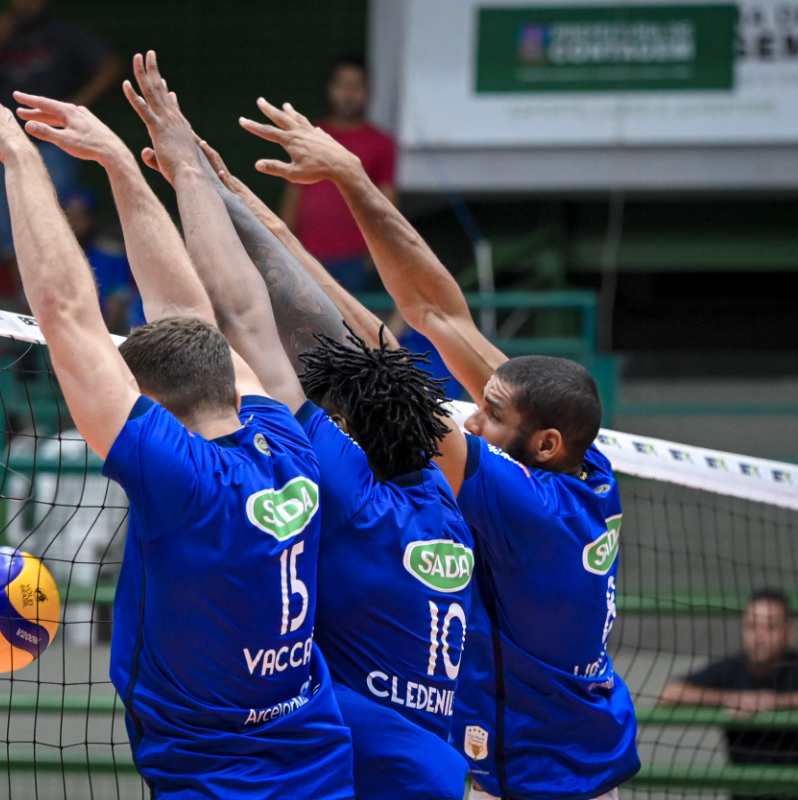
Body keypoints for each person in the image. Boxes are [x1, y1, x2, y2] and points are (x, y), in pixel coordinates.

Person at [0, 64, 354, 799]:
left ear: (153, 407)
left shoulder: (184, 480)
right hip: (319, 766)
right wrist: (121, 166)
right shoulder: (288, 446)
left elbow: (67, 314)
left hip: (218, 784)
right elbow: (189, 314)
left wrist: (19, 157)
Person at [240, 98, 639, 799]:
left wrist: (266, 230)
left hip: (541, 777)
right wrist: (352, 179)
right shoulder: (582, 460)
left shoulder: (527, 505)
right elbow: (435, 311)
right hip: (575, 748)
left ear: (543, 443)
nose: (473, 421)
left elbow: (384, 369)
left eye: (488, 415)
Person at [136, 82, 474, 796]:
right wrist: (226, 195)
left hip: (369, 769)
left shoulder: (345, 491)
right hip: (434, 761)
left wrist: (194, 178)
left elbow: (247, 318)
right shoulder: (446, 496)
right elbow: (363, 353)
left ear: (346, 430)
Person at [0, 0, 122, 260]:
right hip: (3, 142)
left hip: (51, 142)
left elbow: (111, 67)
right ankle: (23, 300)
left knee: (54, 228)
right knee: (11, 235)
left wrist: (72, 108)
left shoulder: (63, 33)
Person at [660, 589, 798, 799]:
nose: (759, 637)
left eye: (770, 627)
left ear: (789, 631)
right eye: (752, 627)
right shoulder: (731, 669)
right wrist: (733, 698)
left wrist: (775, 702)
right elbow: (669, 693)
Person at [277, 56, 395, 294]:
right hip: (309, 256)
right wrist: (285, 244)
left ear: (368, 91)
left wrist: (375, 258)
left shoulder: (382, 143)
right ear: (331, 89)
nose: (348, 94)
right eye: (342, 85)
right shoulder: (310, 136)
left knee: (353, 328)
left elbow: (387, 203)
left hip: (357, 261)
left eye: (355, 86)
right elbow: (294, 191)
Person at [60, 187, 143, 334]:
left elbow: (118, 300)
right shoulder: (54, 253)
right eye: (68, 215)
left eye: (80, 217)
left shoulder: (110, 254)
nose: (73, 222)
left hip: (103, 329)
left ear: (92, 219)